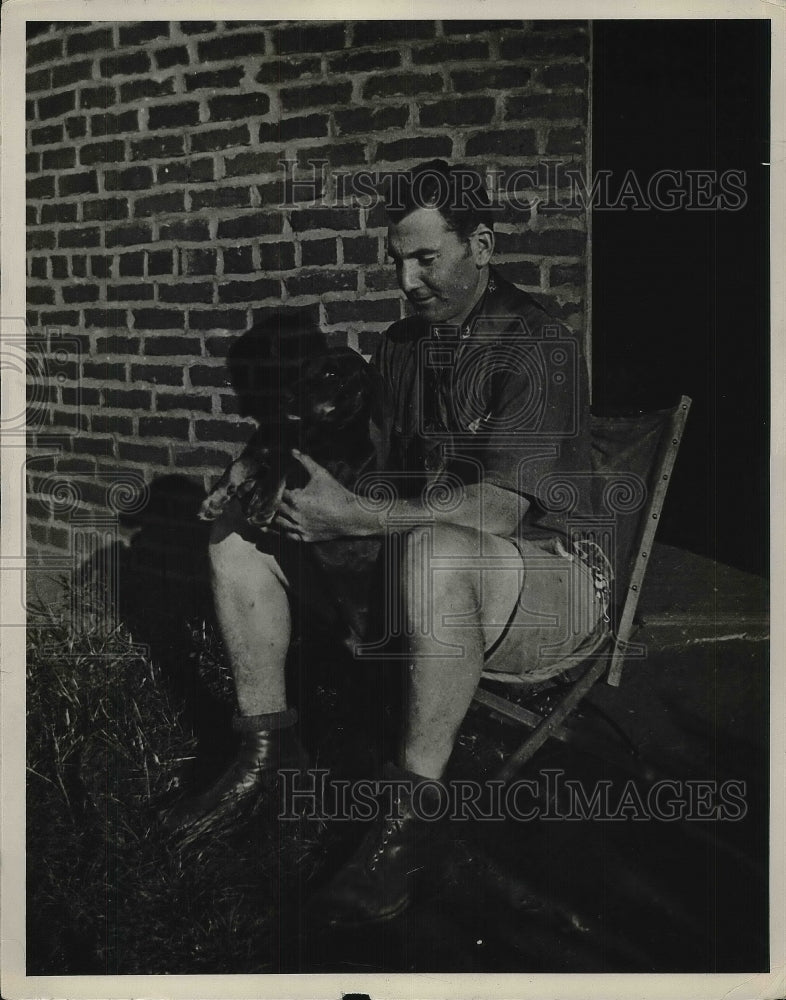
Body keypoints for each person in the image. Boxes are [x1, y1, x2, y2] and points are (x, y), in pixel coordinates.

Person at [160, 160, 609, 926]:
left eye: (426, 258)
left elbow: (500, 512)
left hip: (553, 580)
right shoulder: (403, 346)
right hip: (439, 567)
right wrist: (257, 461)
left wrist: (356, 521)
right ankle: (269, 747)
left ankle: (411, 819)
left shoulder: (536, 344)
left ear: (483, 245)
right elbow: (335, 429)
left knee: (434, 550)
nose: (406, 281)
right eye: (397, 260)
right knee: (240, 535)